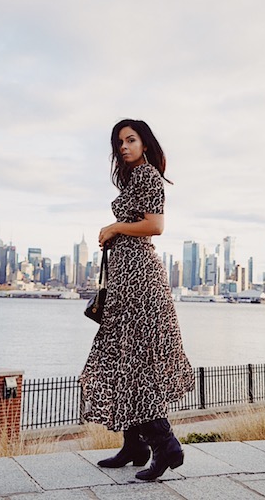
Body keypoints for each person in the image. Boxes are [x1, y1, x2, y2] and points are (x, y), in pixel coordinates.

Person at [80, 119, 194, 481]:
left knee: (135, 360)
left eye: (131, 140)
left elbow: (155, 225)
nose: (124, 146)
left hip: (140, 279)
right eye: (119, 142)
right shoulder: (133, 178)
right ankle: (135, 445)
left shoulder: (147, 176)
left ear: (145, 143)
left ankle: (165, 445)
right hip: (127, 276)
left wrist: (114, 228)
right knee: (124, 356)